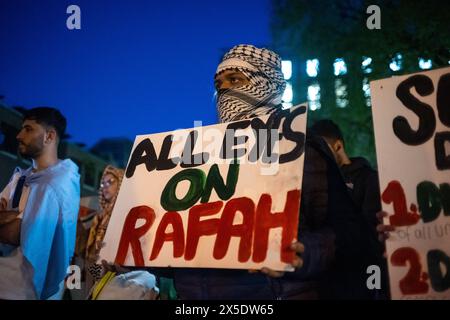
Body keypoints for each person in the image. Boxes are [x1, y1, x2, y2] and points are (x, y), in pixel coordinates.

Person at [171, 44, 368, 299]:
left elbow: (351, 234)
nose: (223, 89)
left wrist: (306, 253)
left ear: (267, 83)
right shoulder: (198, 157)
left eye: (234, 79)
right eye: (218, 83)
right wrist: (137, 254)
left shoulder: (302, 148)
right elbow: (180, 251)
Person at [0, 107, 80, 300]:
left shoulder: (59, 182)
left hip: (27, 291)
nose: (19, 136)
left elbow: (13, 234)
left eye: (28, 129)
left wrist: (13, 218)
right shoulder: (20, 177)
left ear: (49, 136)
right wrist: (20, 217)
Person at [310, 119, 386, 299]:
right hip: (330, 279)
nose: (318, 156)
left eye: (323, 149)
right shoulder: (318, 182)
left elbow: (371, 231)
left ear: (338, 146)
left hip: (363, 275)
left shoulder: (369, 179)